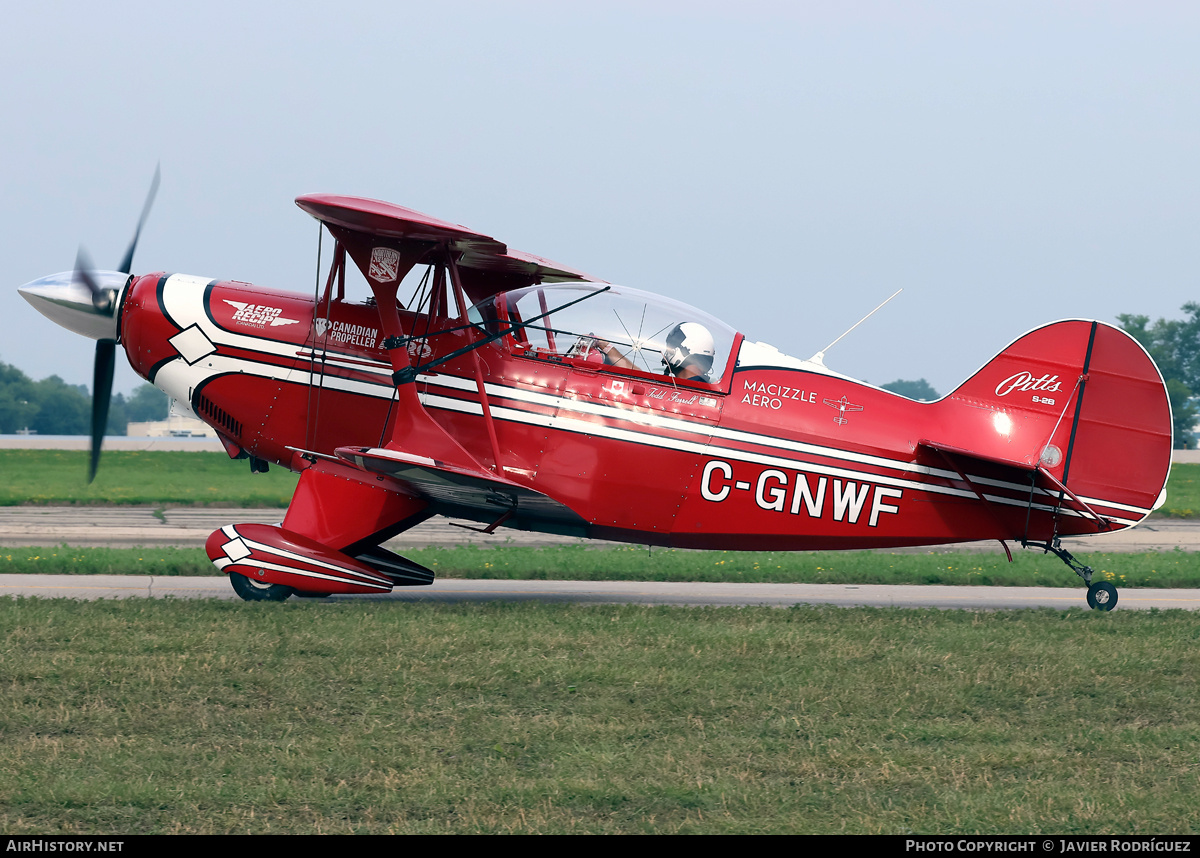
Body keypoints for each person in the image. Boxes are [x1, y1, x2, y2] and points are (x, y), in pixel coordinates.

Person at [592, 322, 716, 381]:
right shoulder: (689, 385)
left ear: (687, 349)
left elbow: (645, 383)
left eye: (671, 347)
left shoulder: (690, 391)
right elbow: (643, 378)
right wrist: (607, 347)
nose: (667, 352)